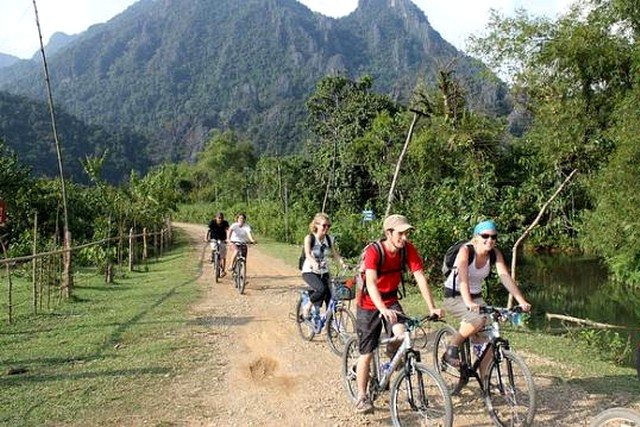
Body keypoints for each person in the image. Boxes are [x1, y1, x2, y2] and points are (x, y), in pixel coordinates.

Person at [354, 214, 443, 414]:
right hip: (369, 303)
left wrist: (431, 307)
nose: (405, 237)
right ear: (389, 233)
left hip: (391, 300)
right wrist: (382, 309)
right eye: (401, 233)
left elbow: (420, 277)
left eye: (407, 233)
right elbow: (370, 283)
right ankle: (361, 396)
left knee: (403, 336)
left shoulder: (407, 250)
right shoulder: (374, 251)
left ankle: (390, 356)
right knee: (366, 353)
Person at [442, 219, 532, 368]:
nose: (489, 240)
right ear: (476, 237)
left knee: (490, 337)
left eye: (493, 237)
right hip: (455, 296)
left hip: (476, 298)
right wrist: (469, 303)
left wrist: (521, 300)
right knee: (477, 320)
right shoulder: (466, 251)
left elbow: (504, 277)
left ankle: (486, 385)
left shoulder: (494, 254)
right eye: (485, 236)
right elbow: (463, 279)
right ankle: (451, 349)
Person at [300, 213, 347, 321]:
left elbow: (335, 254)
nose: (327, 228)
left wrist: (343, 263)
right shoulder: (309, 238)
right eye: (324, 225)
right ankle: (307, 307)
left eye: (328, 226)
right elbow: (307, 254)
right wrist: (314, 262)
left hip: (324, 271)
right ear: (316, 225)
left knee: (331, 295)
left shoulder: (329, 239)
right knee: (321, 289)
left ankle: (330, 322)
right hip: (310, 271)